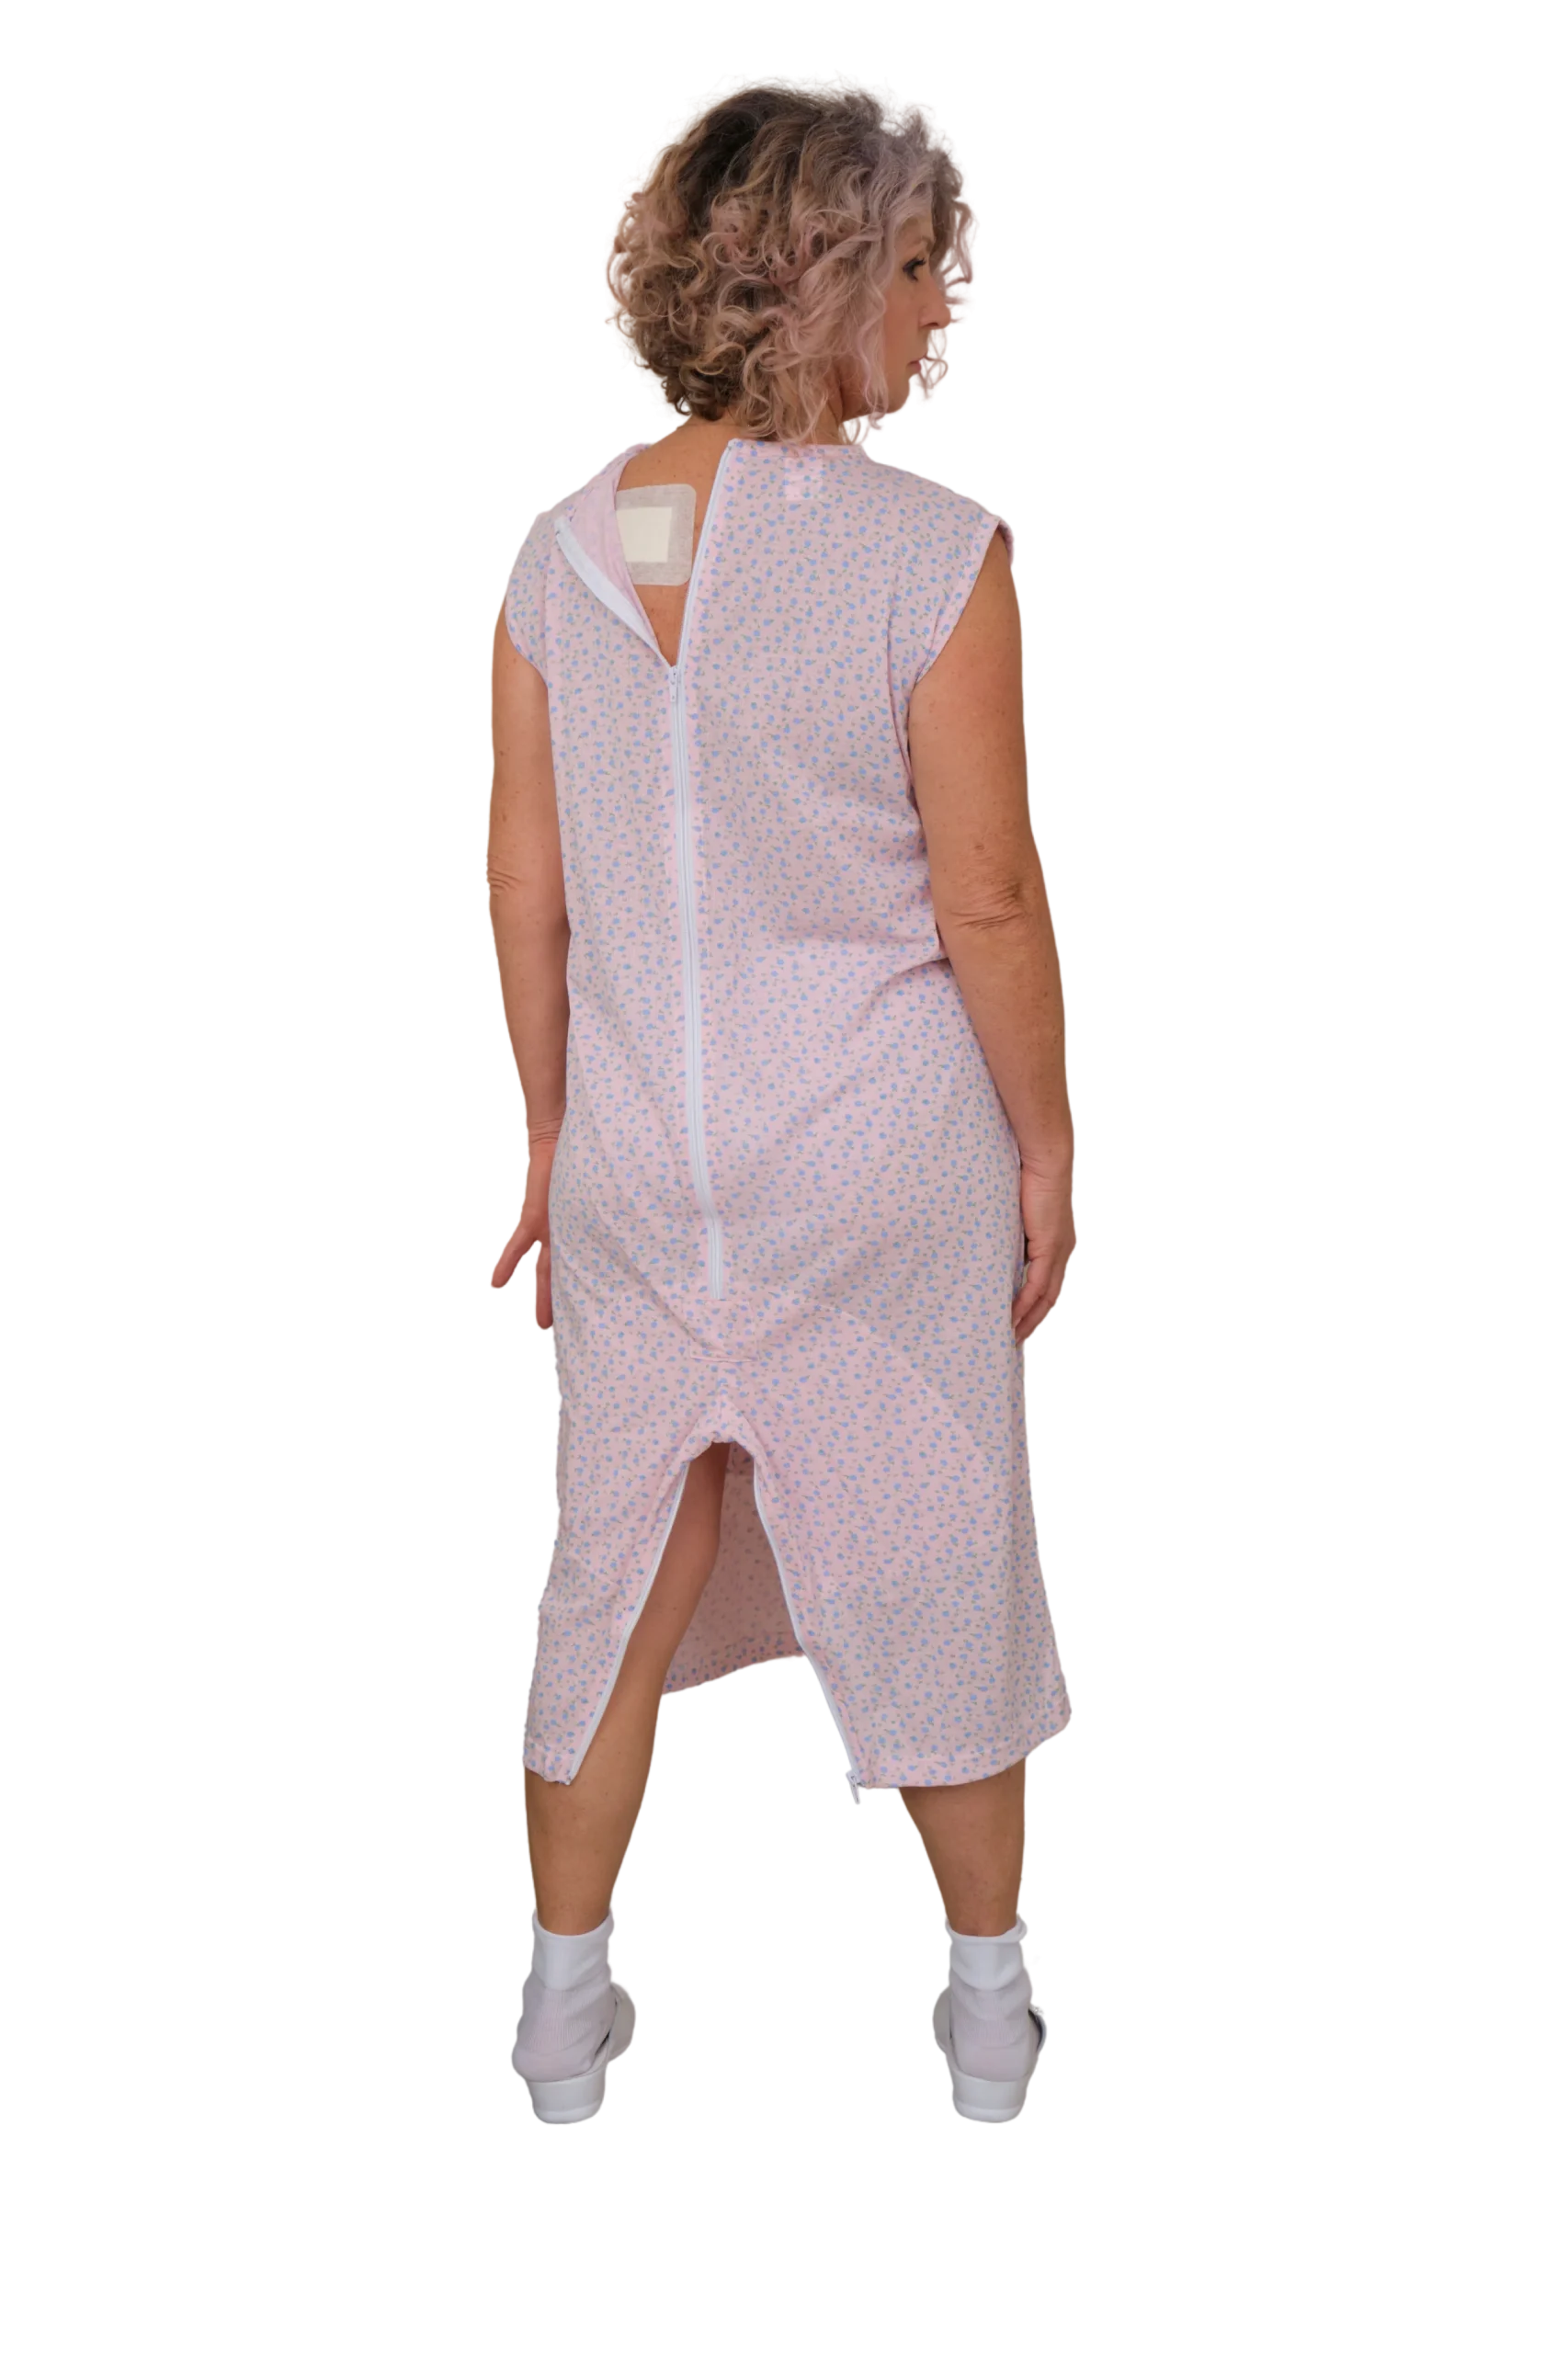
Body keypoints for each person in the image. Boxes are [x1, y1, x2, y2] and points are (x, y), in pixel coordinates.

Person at [490, 88, 1076, 2126]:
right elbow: (989, 896)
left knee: (610, 1580)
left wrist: (548, 1137)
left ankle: (560, 2014)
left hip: (645, 1156)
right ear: (830, 283)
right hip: (875, 1147)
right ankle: (986, 2012)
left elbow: (527, 887)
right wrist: (1048, 1143)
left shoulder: (554, 551)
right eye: (924, 268)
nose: (954, 308)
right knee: (935, 1550)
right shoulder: (933, 549)